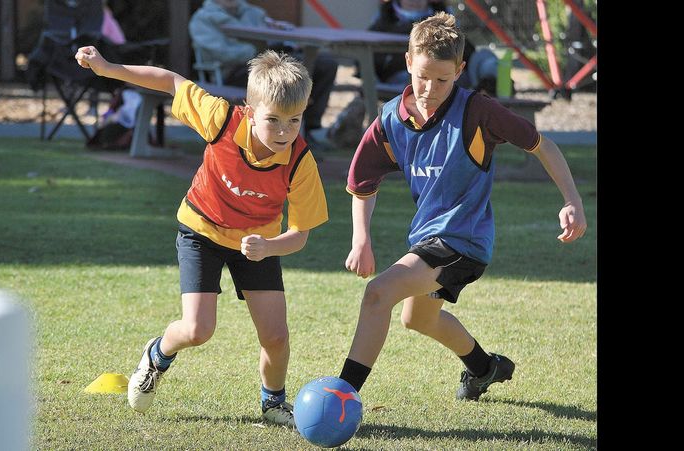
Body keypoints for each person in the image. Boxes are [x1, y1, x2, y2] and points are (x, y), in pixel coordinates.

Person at [337, 12, 587, 401]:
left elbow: (543, 144)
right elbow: (362, 182)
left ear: (460, 70)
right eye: (422, 76)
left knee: (378, 294)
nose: (429, 88)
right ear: (407, 62)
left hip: (463, 241)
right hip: (429, 238)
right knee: (417, 318)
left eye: (442, 79)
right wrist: (361, 239)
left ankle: (341, 396)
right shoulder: (391, 121)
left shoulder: (477, 112)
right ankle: (484, 367)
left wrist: (573, 201)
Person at [74, 46, 329, 426]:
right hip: (201, 230)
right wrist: (107, 68)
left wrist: (268, 247)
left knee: (276, 336)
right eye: (273, 120)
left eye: (294, 121)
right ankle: (157, 355)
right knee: (197, 330)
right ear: (250, 109)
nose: (283, 132)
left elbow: (299, 235)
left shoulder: (300, 161)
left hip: (256, 246)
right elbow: (170, 81)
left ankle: (273, 403)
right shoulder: (221, 119)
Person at [188, 0, 338, 147]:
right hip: (233, 72)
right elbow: (221, 53)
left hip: (269, 64)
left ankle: (309, 127)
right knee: (288, 79)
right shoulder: (202, 18)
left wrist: (281, 37)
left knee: (324, 64)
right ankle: (288, 135)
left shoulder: (255, 13)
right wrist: (258, 51)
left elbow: (274, 34)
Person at [369, 0, 500, 96]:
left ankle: (489, 91)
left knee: (486, 61)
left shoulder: (447, 19)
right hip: (402, 81)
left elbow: (464, 50)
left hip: (450, 78)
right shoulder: (383, 23)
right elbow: (371, 61)